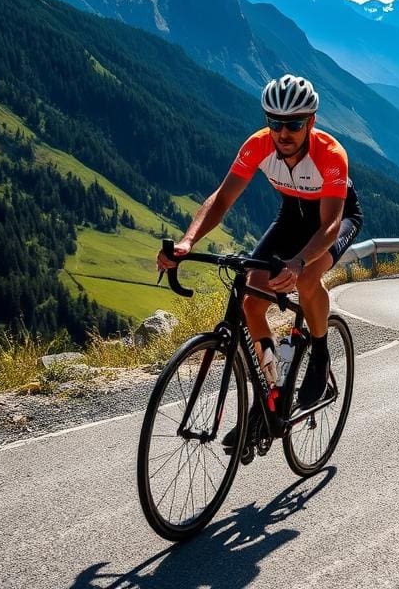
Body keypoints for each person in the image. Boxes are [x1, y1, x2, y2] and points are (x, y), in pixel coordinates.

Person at [156, 74, 363, 456]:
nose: (283, 133)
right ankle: (272, 391)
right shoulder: (257, 146)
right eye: (275, 122)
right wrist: (187, 241)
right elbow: (221, 199)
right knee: (252, 301)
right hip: (291, 215)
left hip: (333, 220)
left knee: (308, 279)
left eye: (294, 124)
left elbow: (331, 225)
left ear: (311, 122)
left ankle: (319, 352)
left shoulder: (330, 155)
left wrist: (300, 262)